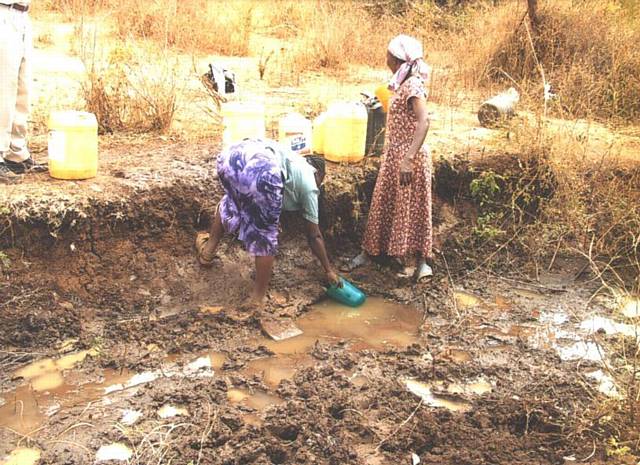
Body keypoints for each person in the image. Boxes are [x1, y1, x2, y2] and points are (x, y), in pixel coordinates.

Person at [196, 138, 341, 308]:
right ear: (318, 174)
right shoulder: (310, 186)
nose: (319, 186)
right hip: (262, 170)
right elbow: (314, 235)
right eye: (320, 182)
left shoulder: (293, 160)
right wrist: (328, 270)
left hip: (229, 157)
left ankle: (207, 253)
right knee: (265, 235)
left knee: (231, 202)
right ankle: (258, 298)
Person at [346, 34, 433, 281]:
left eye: (387, 54)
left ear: (395, 59)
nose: (384, 57)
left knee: (412, 208)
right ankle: (371, 252)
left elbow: (424, 121)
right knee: (383, 202)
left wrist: (408, 158)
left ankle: (419, 261)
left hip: (409, 157)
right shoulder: (402, 81)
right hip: (394, 154)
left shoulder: (413, 85)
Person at [0, 1, 39, 183]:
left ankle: (16, 153)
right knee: (3, 88)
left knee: (22, 86)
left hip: (21, 13)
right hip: (3, 12)